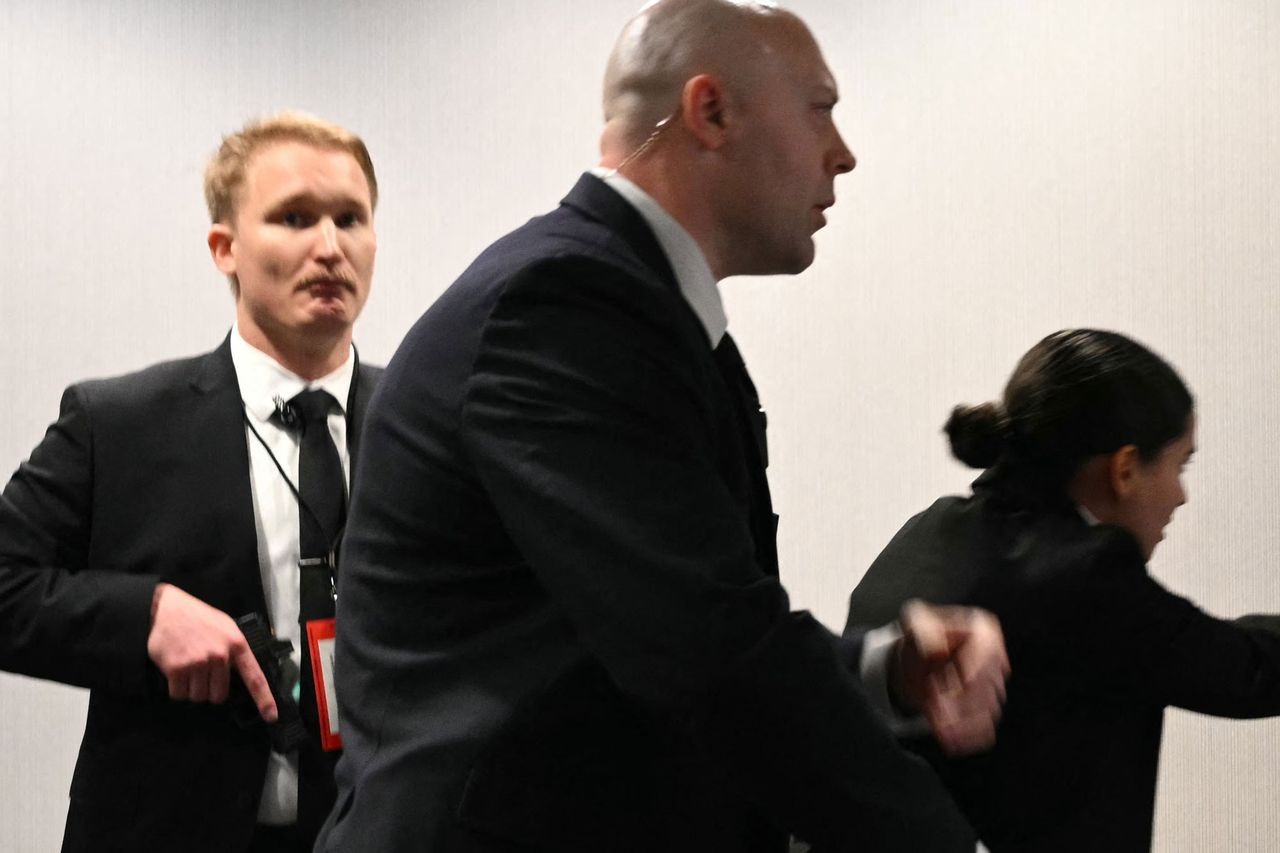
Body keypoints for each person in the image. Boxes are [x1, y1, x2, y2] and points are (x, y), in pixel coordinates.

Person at [319, 3, 1007, 851]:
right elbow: (707, 648)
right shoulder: (563, 308)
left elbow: (659, 625)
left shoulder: (620, 303)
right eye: (820, 107)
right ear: (710, 111)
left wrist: (883, 669)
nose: (844, 153)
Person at [0, 112, 381, 853]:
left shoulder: (429, 427)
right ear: (225, 248)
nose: (329, 247)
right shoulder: (117, 424)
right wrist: (144, 613)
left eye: (350, 218)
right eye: (295, 217)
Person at [844, 328, 1280, 851]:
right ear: (1123, 470)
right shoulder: (1083, 576)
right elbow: (1244, 670)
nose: (1181, 496)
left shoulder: (926, 531)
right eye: (1178, 465)